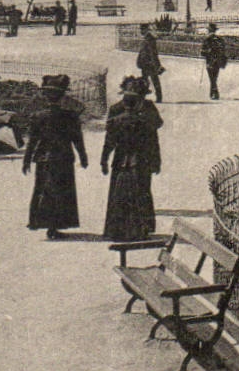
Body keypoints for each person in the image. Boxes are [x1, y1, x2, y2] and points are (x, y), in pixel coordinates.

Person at [22, 75, 89, 239]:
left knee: (44, 190)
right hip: (63, 158)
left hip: (43, 159)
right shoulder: (70, 116)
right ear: (62, 96)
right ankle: (55, 226)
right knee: (62, 191)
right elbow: (77, 139)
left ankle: (43, 223)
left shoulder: (38, 116)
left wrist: (26, 160)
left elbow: (32, 141)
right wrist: (83, 156)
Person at [101, 76, 162, 241]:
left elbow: (155, 132)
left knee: (139, 191)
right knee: (130, 191)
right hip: (135, 157)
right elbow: (110, 136)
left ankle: (139, 227)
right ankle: (124, 228)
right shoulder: (117, 110)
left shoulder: (147, 109)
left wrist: (104, 159)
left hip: (134, 158)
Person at [136, 25, 164, 103]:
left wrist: (157, 65)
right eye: (141, 29)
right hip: (144, 64)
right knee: (145, 81)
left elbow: (153, 54)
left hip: (150, 64)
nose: (141, 31)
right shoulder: (146, 39)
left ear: (146, 30)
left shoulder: (150, 40)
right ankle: (143, 97)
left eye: (142, 30)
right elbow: (142, 52)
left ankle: (159, 97)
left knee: (154, 80)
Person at [201, 22, 229, 101]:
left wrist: (207, 52)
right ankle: (212, 93)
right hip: (217, 61)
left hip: (210, 61)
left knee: (212, 78)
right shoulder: (220, 40)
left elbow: (202, 52)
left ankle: (215, 93)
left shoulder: (206, 39)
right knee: (214, 78)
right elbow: (223, 50)